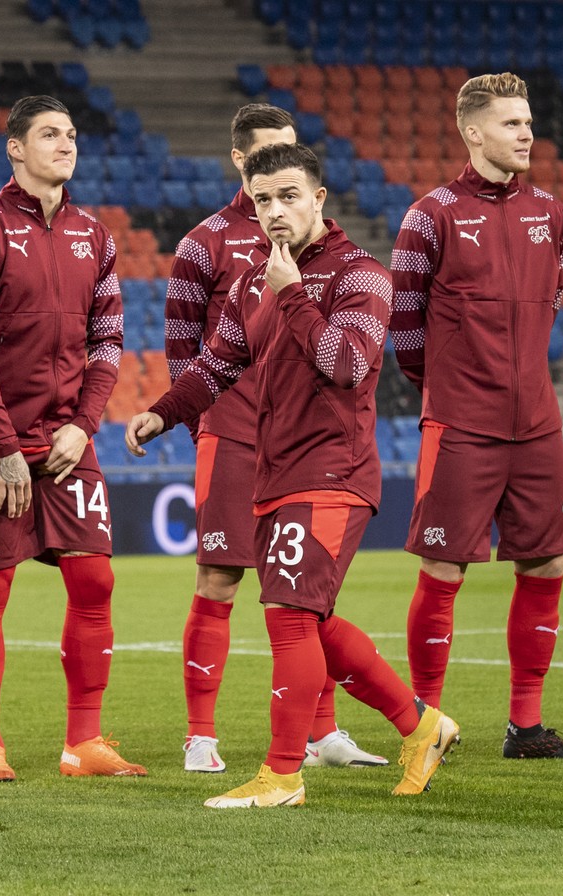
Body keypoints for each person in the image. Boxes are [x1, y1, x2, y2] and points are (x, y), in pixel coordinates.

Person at [128, 143, 459, 808]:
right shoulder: (252, 280)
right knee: (316, 621)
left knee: (287, 614)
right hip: (276, 469)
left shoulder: (361, 275)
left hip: (333, 469)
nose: (274, 212)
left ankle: (282, 774)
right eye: (262, 201)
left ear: (318, 200)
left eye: (287, 197)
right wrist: (161, 415)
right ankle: (421, 726)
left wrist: (295, 295)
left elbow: (345, 364)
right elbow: (219, 364)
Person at [164, 103, 383, 774]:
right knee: (219, 578)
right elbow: (184, 349)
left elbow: (345, 355)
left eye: (291, 156)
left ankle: (321, 734)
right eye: (266, 158)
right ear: (240, 161)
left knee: (309, 595)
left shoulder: (329, 255)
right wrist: (200, 422)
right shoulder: (205, 242)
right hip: (232, 433)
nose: (279, 173)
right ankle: (202, 735)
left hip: (306, 440)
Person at [388, 72, 563, 760]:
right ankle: (425, 723)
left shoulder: (554, 214)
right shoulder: (431, 215)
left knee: (547, 565)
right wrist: (451, 388)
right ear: (472, 132)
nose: (527, 133)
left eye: (529, 122)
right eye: (512, 123)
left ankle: (526, 727)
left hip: (536, 423)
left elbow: (553, 299)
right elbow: (405, 328)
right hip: (462, 424)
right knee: (444, 569)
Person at [0, 95, 141, 781]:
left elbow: (110, 341)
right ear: (15, 149)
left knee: (96, 580)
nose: (66, 144)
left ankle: (82, 743)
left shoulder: (98, 234)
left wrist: (82, 426)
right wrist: (3, 446)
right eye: (50, 134)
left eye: (72, 135)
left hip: (67, 445)